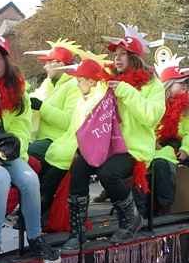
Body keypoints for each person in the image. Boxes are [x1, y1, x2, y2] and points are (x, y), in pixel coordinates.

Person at [0, 33, 61, 263]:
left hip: (8, 154)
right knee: (0, 177)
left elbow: (23, 128)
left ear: (6, 61)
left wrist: (12, 150)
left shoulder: (18, 91)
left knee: (30, 179)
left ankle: (35, 238)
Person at [69, 23, 165, 243]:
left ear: (135, 58)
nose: (117, 58)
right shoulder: (110, 82)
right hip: (108, 146)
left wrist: (126, 91)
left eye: (124, 54)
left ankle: (131, 219)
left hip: (135, 149)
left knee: (107, 173)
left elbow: (151, 117)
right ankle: (78, 231)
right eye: (116, 54)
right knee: (79, 164)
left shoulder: (152, 86)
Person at [42, 58, 109, 248]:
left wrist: (77, 150)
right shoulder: (84, 99)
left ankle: (43, 217)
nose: (77, 84)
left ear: (92, 81)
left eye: (81, 80)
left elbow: (94, 133)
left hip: (82, 150)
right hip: (69, 145)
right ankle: (41, 214)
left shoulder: (98, 100)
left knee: (50, 180)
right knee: (46, 171)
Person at [151, 58, 189, 215]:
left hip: (176, 145)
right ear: (167, 85)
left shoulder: (187, 108)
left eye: (186, 83)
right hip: (155, 143)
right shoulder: (157, 103)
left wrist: (186, 149)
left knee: (161, 163)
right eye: (181, 83)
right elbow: (149, 126)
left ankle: (164, 205)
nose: (185, 86)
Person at [26, 39, 82, 166]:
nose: (45, 67)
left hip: (58, 141)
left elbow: (68, 122)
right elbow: (32, 98)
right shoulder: (47, 84)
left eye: (49, 62)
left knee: (23, 153)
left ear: (60, 63)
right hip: (38, 139)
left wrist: (41, 106)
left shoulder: (74, 86)